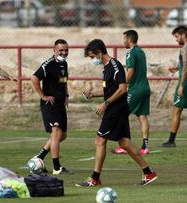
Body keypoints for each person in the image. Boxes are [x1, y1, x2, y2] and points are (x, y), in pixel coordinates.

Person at [76, 39, 157, 187]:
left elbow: (122, 89)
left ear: (99, 53)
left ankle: (95, 178)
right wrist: (93, 94)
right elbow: (110, 90)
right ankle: (148, 173)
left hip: (116, 109)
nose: (92, 60)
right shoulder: (106, 68)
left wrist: (106, 103)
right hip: (116, 108)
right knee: (124, 142)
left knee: (100, 140)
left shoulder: (115, 66)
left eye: (92, 57)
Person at [31, 39, 71, 175]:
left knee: (62, 135)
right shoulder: (48, 65)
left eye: (66, 50)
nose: (64, 53)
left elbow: (64, 80)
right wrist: (42, 96)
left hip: (60, 104)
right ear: (54, 50)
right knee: (56, 133)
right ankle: (57, 168)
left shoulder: (64, 64)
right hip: (50, 104)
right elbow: (34, 78)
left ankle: (39, 157)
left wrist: (66, 95)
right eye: (61, 50)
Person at [112, 30, 151, 155]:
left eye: (124, 39)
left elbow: (130, 71)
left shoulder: (131, 52)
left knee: (122, 114)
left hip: (135, 89)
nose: (123, 41)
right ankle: (145, 146)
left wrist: (123, 84)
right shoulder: (141, 51)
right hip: (145, 88)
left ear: (129, 39)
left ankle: (124, 146)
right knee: (142, 116)